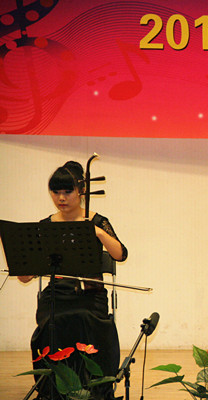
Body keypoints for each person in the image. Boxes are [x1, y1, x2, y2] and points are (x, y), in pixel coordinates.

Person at [18, 161, 127, 400]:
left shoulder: (97, 220)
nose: (61, 198)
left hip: (91, 294)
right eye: (55, 192)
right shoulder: (46, 226)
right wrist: (23, 262)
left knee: (85, 318)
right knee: (51, 321)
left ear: (81, 191)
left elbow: (121, 254)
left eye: (67, 191)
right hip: (57, 293)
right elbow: (25, 277)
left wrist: (97, 232)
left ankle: (95, 389)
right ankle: (52, 389)